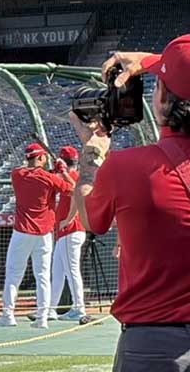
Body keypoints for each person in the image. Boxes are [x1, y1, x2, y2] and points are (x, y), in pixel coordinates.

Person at [70, 34, 190, 372]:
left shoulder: (127, 167)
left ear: (163, 99)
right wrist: (152, 61)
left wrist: (92, 154)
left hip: (156, 345)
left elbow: (91, 218)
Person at [0, 143, 75, 329]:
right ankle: (42, 317)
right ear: (41, 158)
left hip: (22, 232)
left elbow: (35, 176)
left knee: (13, 274)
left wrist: (54, 172)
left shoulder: (17, 174)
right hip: (44, 233)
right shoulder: (49, 178)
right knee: (43, 276)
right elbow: (73, 189)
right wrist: (62, 172)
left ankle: (8, 315)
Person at [48, 146, 86, 321]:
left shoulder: (74, 176)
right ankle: (50, 309)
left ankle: (79, 308)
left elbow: (76, 194)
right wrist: (56, 171)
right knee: (57, 273)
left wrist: (69, 219)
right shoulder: (66, 176)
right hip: (64, 233)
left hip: (72, 229)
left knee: (72, 271)